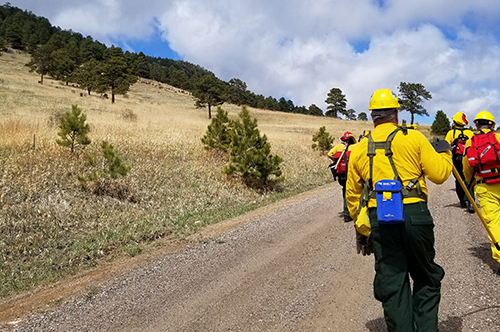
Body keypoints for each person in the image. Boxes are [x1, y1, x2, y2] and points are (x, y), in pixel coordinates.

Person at [346, 89, 452, 332]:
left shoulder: (360, 148)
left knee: (392, 283)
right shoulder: (413, 139)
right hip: (415, 214)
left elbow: (352, 195)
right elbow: (439, 175)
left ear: (373, 116)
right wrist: (445, 153)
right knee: (426, 277)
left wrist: (361, 225)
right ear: (396, 113)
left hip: (380, 220)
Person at [463, 111, 500, 273]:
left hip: (485, 186)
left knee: (494, 223)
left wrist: (472, 184)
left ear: (476, 125)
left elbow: (467, 168)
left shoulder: (471, 142)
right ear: (492, 125)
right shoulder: (498, 138)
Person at [444, 112, 475, 211]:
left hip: (456, 160)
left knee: (459, 180)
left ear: (454, 123)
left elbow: (446, 146)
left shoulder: (451, 133)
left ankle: (462, 201)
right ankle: (471, 201)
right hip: (468, 159)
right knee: (469, 180)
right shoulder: (469, 133)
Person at [328, 131, 357, 222]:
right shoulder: (355, 147)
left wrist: (336, 160)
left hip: (341, 174)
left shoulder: (338, 147)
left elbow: (329, 154)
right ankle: (352, 212)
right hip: (351, 173)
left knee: (345, 191)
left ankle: (346, 213)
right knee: (353, 191)